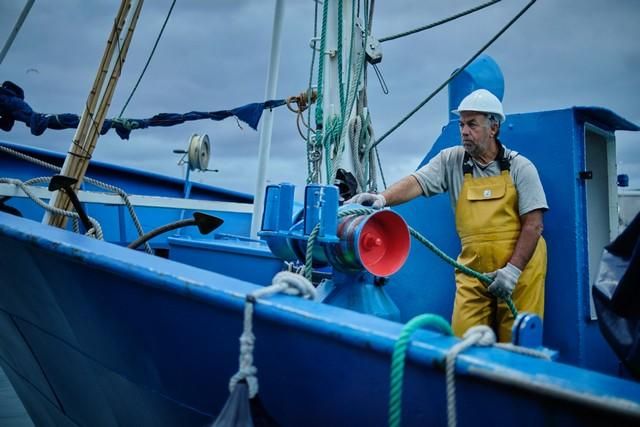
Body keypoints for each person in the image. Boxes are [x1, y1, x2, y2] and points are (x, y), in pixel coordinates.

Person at [348, 89, 548, 342]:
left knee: (519, 344)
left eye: (472, 124)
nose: (464, 131)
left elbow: (534, 225)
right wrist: (382, 198)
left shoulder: (521, 167)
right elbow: (416, 182)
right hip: (473, 270)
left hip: (521, 269)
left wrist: (513, 271)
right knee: (462, 341)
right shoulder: (451, 160)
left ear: (493, 128)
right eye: (462, 124)